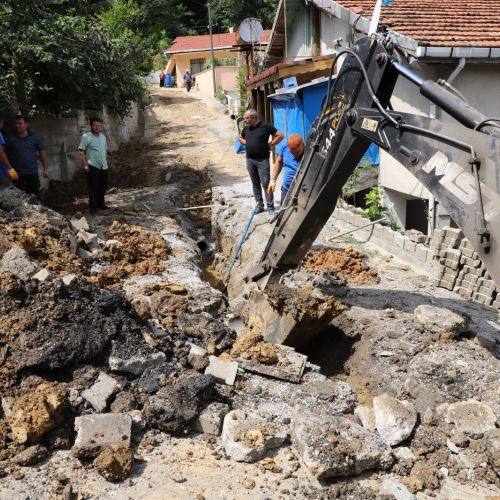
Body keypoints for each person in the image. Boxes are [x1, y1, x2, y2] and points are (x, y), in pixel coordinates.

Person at [239, 109, 283, 213]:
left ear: (254, 117)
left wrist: (271, 144)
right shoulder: (246, 128)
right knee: (255, 183)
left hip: (262, 160)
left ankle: (270, 206)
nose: (245, 120)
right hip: (250, 159)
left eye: (247, 118)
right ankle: (259, 205)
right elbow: (240, 138)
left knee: (267, 183)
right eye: (244, 118)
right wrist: (248, 143)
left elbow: (280, 136)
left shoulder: (266, 126)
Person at [5, 115, 48, 200]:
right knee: (18, 199)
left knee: (35, 196)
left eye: (20, 123)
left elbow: (42, 153)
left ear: (26, 124)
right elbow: (3, 154)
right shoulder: (9, 138)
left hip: (32, 173)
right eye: (16, 123)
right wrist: (10, 170)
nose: (17, 125)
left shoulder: (35, 137)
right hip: (16, 174)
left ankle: (37, 212)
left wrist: (45, 169)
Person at [79, 117, 109, 214]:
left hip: (103, 166)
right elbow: (81, 152)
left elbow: (105, 150)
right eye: (95, 125)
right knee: (93, 187)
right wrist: (85, 165)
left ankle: (101, 203)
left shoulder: (103, 137)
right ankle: (93, 207)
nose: (97, 127)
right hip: (92, 166)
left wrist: (107, 161)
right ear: (91, 126)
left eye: (99, 125)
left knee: (103, 186)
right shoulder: (86, 137)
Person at [268, 133, 305, 205]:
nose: (294, 155)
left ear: (303, 145)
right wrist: (272, 180)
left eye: (297, 152)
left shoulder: (309, 152)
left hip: (302, 191)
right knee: (283, 211)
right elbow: (278, 162)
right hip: (286, 189)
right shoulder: (285, 147)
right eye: (292, 153)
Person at [0, 113, 17, 189]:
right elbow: (1, 153)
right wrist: (11, 170)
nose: (2, 125)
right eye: (2, 123)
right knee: (10, 191)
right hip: (1, 173)